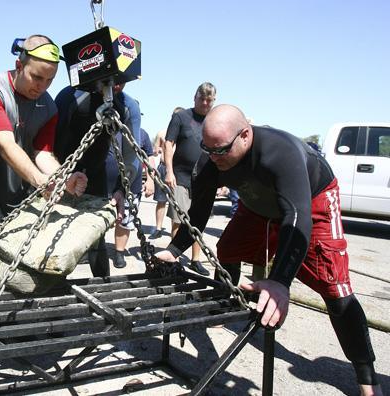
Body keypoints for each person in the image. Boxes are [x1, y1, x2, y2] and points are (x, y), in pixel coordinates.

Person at [157, 104, 382, 396]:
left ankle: (368, 381)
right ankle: (226, 305)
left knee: (335, 290)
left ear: (245, 136)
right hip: (257, 205)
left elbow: (297, 217)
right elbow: (198, 213)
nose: (214, 157)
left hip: (310, 202)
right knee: (227, 248)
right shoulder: (213, 158)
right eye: (208, 149)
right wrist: (174, 249)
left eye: (222, 150)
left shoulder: (280, 153)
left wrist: (280, 282)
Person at [0, 35, 87, 284]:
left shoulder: (48, 106)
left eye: (50, 80)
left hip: (19, 200)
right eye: (37, 77)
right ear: (19, 66)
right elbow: (5, 145)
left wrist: (64, 177)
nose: (42, 86)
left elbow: (43, 153)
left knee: (17, 270)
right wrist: (41, 180)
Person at [54, 82, 142, 276]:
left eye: (123, 79)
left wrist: (121, 188)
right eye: (112, 79)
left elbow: (131, 154)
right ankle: (56, 289)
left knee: (96, 236)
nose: (117, 84)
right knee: (57, 235)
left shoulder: (127, 105)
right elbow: (54, 141)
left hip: (97, 175)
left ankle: (102, 287)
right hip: (65, 171)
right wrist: (59, 176)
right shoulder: (70, 96)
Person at [164, 83, 216, 276]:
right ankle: (173, 257)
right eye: (201, 99)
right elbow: (168, 144)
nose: (204, 103)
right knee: (179, 220)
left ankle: (196, 260)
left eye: (209, 100)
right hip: (180, 177)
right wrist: (169, 171)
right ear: (195, 97)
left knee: (198, 222)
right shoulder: (181, 117)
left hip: (205, 179)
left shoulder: (215, 120)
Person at [108, 128, 154, 268]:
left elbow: (149, 157)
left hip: (132, 185)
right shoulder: (106, 130)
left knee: (125, 220)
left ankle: (119, 252)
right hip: (106, 185)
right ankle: (95, 249)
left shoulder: (142, 133)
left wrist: (151, 179)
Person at [148, 129, 169, 239]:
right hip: (164, 167)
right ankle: (158, 228)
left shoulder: (163, 133)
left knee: (177, 203)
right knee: (161, 200)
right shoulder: (162, 133)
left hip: (178, 169)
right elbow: (155, 151)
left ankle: (174, 232)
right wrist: (160, 149)